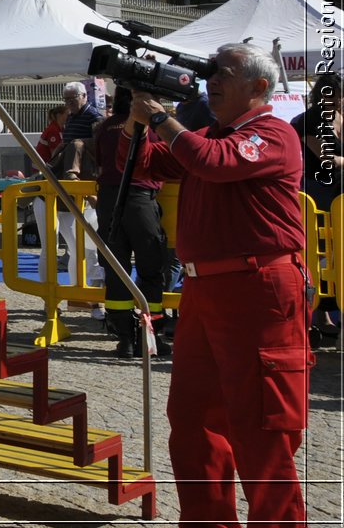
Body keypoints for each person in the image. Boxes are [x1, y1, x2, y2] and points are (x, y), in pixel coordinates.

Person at [126, 42, 309, 528]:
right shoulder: (210, 134)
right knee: (192, 422)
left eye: (223, 73)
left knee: (262, 428)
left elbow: (213, 161)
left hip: (259, 287)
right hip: (207, 290)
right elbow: (153, 165)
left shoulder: (274, 133)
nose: (211, 80)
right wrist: (136, 123)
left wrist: (162, 116)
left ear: (259, 87)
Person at [91, 87, 169, 358]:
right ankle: (150, 337)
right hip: (139, 198)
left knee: (116, 270)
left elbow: (100, 162)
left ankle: (123, 338)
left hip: (109, 201)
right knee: (151, 268)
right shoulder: (153, 124)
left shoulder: (105, 127)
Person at [293, 72, 341, 347]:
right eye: (330, 94)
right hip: (317, 193)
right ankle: (316, 316)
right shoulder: (312, 119)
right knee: (318, 254)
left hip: (337, 193)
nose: (335, 99)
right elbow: (325, 159)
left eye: (338, 94)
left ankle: (326, 317)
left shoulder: (339, 117)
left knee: (334, 256)